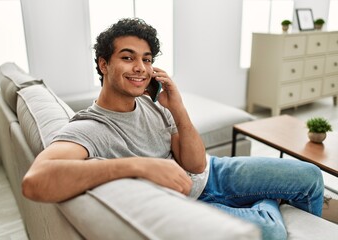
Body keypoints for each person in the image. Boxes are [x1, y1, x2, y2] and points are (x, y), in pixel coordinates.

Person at [22, 18, 324, 240]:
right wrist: (140, 166)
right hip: (186, 202)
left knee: (309, 176)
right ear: (103, 64)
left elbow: (195, 163)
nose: (141, 67)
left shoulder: (153, 102)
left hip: (212, 174)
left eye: (147, 59)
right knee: (269, 230)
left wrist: (176, 106)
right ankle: (267, 200)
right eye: (127, 58)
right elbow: (35, 181)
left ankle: (263, 199)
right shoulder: (90, 127)